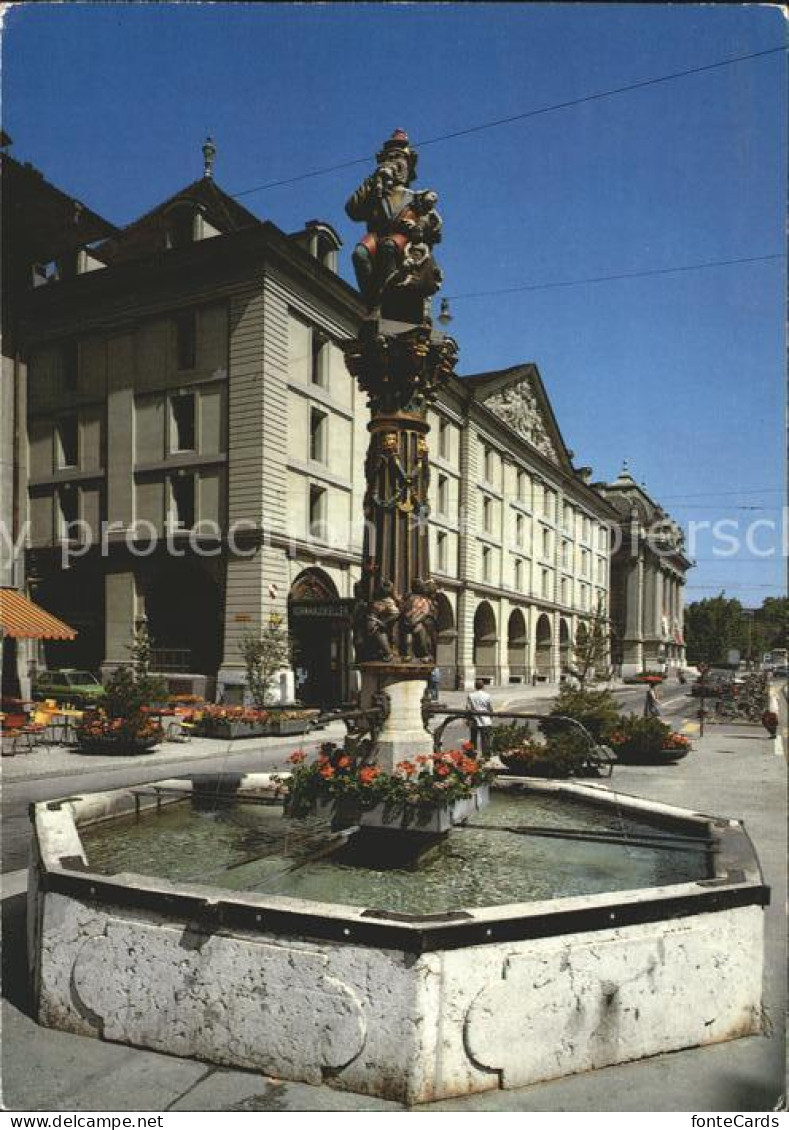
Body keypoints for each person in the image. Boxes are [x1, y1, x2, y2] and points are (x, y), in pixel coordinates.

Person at [466, 677, 493, 758]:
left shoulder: (470, 695)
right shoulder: (487, 695)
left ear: (475, 686)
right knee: (486, 740)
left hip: (474, 720)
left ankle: (472, 755)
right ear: (483, 686)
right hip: (486, 720)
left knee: (473, 739)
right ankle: (486, 756)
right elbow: (490, 708)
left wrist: (467, 719)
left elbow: (468, 708)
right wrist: (491, 716)